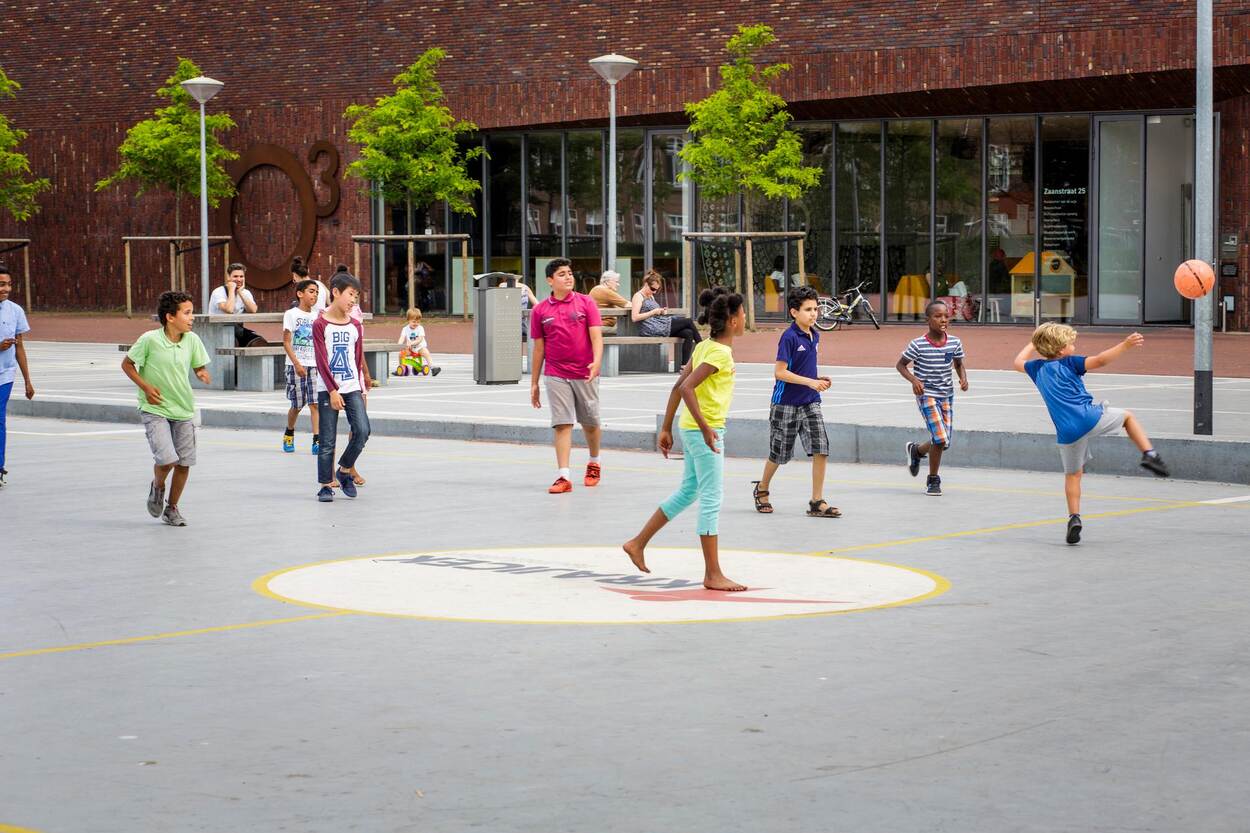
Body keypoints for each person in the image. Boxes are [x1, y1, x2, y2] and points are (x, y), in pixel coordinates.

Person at [622, 287, 748, 592]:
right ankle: (713, 573)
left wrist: (667, 427)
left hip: (690, 428)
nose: (744, 318)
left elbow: (678, 385)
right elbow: (688, 387)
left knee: (690, 490)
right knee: (711, 498)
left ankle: (638, 542)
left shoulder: (704, 347)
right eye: (742, 314)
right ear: (732, 320)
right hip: (705, 431)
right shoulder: (718, 352)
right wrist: (706, 429)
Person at [1013, 323, 1169, 545]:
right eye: (1070, 343)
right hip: (1088, 418)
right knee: (1127, 417)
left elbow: (1017, 362)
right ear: (1060, 350)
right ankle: (1150, 454)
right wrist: (1125, 345)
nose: (1074, 346)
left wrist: (1032, 344)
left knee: (1073, 475)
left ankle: (1074, 517)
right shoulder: (1070, 362)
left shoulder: (1036, 368)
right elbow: (1101, 360)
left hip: (1066, 432)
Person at [121, 291, 211, 526]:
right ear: (170, 317)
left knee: (183, 463)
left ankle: (172, 509)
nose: (192, 318)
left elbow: (197, 364)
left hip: (183, 409)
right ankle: (158, 486)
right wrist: (146, 387)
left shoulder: (192, 340)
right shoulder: (150, 340)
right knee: (167, 459)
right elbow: (128, 364)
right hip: (155, 409)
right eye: (187, 313)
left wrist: (200, 372)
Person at [750, 286, 838, 518]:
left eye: (816, 309)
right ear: (793, 312)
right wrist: (809, 382)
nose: (814, 314)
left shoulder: (814, 335)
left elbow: (803, 368)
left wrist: (816, 380)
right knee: (779, 454)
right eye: (808, 309)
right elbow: (780, 372)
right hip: (785, 404)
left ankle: (817, 501)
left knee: (821, 448)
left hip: (810, 401)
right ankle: (762, 489)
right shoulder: (788, 337)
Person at [530, 257, 604, 493]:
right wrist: (534, 382)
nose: (568, 277)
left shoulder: (586, 303)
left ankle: (594, 462)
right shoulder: (540, 310)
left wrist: (596, 362)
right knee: (562, 423)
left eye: (570, 273)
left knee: (590, 422)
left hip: (585, 372)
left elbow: (596, 337)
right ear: (550, 281)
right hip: (555, 373)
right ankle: (564, 477)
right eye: (562, 274)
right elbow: (539, 348)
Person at [313, 271, 372, 503]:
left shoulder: (355, 325)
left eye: (356, 297)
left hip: (351, 387)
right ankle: (325, 485)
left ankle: (345, 469)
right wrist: (332, 390)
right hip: (329, 388)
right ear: (335, 292)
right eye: (350, 294)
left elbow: (356, 359)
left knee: (363, 430)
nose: (353, 301)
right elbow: (320, 360)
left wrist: (358, 385)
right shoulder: (320, 324)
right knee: (327, 440)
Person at [899, 300, 968, 496]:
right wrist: (914, 380)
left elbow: (958, 363)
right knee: (940, 438)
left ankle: (917, 451)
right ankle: (933, 480)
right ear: (928, 320)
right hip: (926, 395)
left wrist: (963, 379)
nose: (943, 319)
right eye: (938, 316)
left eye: (946, 316)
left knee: (943, 441)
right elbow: (901, 365)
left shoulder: (954, 342)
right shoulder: (918, 344)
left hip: (946, 395)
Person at [0, 265, 35, 488]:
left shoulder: (15, 311)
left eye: (9, 284)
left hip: (5, 374)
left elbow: (19, 346)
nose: (7, 289)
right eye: (2, 284)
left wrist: (28, 380)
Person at [281, 279, 322, 454]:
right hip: (295, 365)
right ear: (300, 293)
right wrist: (297, 363)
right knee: (297, 405)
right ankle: (289, 432)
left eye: (317, 292)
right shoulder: (291, 314)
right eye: (311, 291)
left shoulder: (318, 316)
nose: (315, 295)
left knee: (315, 404)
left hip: (314, 365)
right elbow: (286, 341)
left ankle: (317, 440)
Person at [631, 269, 701, 365]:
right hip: (650, 328)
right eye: (653, 289)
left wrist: (661, 311)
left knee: (688, 333)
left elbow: (654, 312)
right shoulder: (638, 296)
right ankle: (703, 348)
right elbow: (634, 317)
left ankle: (684, 366)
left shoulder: (651, 296)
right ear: (646, 284)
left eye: (656, 290)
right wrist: (653, 312)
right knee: (688, 321)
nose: (654, 292)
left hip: (659, 324)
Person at [210, 263, 267, 347]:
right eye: (235, 276)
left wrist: (240, 292)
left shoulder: (245, 292)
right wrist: (231, 290)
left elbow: (253, 310)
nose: (239, 279)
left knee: (259, 343)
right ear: (228, 277)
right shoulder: (218, 292)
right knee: (232, 343)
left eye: (241, 276)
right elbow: (229, 309)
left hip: (237, 330)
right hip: (218, 330)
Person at [394, 307, 441, 377]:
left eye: (418, 322)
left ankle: (432, 367)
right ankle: (401, 367)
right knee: (401, 354)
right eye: (413, 322)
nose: (416, 323)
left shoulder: (420, 328)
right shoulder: (405, 329)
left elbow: (420, 339)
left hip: (420, 348)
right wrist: (399, 345)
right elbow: (402, 338)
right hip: (410, 349)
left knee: (426, 352)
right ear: (408, 320)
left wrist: (411, 343)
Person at [589, 270, 629, 334]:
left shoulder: (597, 289)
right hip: (603, 326)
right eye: (616, 282)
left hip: (596, 325)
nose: (618, 284)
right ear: (607, 282)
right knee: (628, 330)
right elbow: (628, 304)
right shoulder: (605, 291)